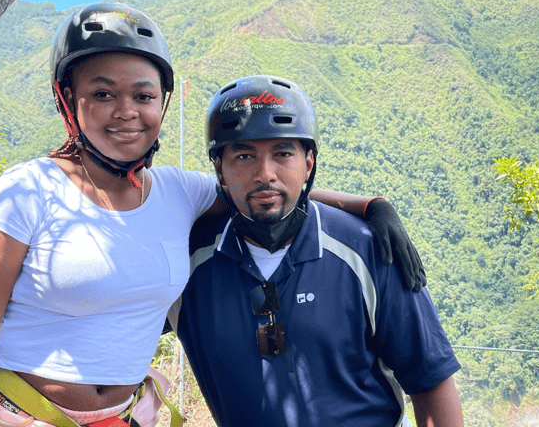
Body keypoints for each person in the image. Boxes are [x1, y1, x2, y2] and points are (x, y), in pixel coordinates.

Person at [0, 4, 423, 427]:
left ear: (162, 104)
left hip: (129, 415)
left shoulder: (176, 192)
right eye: (102, 93)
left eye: (143, 95)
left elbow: (262, 189)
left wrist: (368, 205)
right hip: (24, 412)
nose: (126, 111)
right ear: (67, 98)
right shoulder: (24, 193)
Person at [168, 75, 463, 427]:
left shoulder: (366, 251)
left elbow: (430, 381)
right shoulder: (186, 263)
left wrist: (371, 207)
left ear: (308, 163)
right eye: (244, 155)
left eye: (283, 154)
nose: (265, 173)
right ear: (220, 168)